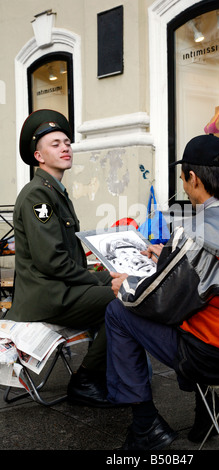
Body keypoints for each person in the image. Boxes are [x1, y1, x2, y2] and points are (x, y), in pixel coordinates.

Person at [104, 134, 219, 450]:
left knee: (118, 313)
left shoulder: (193, 230)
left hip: (216, 358)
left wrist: (124, 287)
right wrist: (166, 254)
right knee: (210, 307)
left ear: (192, 178)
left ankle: (144, 424)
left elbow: (163, 304)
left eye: (183, 177)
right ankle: (209, 412)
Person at [6, 109, 116, 407]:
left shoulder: (55, 192)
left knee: (126, 292)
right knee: (121, 304)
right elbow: (52, 261)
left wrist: (110, 275)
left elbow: (70, 260)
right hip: (48, 297)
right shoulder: (36, 196)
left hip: (63, 289)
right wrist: (105, 281)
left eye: (67, 141)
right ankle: (86, 380)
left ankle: (110, 376)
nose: (65, 147)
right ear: (38, 156)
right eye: (55, 143)